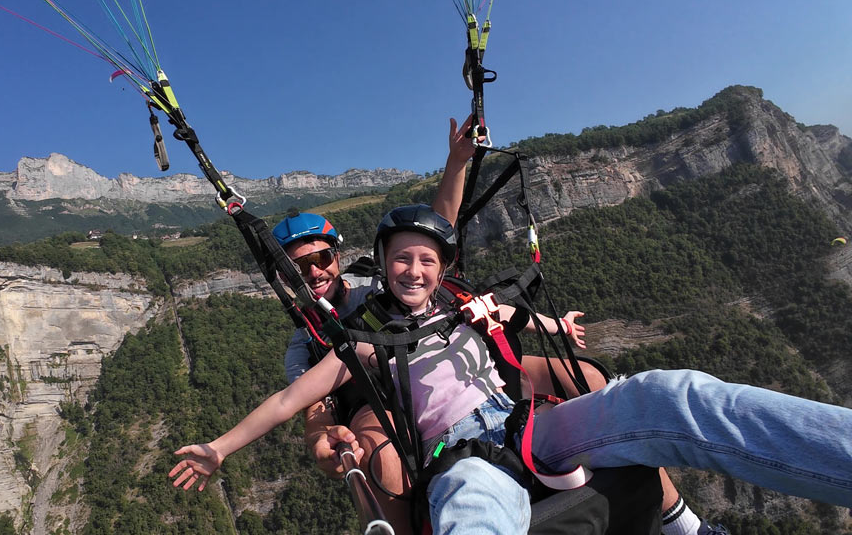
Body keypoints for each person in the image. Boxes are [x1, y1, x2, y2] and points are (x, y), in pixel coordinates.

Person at [170, 205, 852, 534]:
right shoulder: (363, 339)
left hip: (527, 425)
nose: (414, 270)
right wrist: (221, 447)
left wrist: (554, 328)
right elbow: (295, 398)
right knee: (471, 513)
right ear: (383, 268)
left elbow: (513, 320)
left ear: (440, 273)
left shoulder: (460, 308)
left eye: (426, 262)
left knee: (670, 395)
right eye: (402, 260)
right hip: (458, 454)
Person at [275, 118, 722, 535]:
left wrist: (457, 163)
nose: (313, 272)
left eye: (319, 259)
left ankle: (677, 518)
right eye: (298, 269)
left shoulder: (378, 285)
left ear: (336, 257)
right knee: (384, 459)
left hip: (450, 361)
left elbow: (435, 233)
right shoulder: (306, 343)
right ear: (285, 279)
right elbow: (314, 406)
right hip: (382, 395)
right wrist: (321, 439)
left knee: (589, 377)